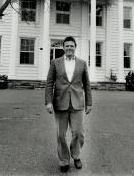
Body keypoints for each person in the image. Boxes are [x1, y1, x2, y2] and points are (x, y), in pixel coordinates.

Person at [45, 36, 92, 173]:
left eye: (72, 46)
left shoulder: (82, 63)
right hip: (60, 102)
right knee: (60, 135)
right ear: (63, 47)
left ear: (75, 47)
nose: (69, 48)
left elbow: (87, 84)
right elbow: (49, 83)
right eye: (67, 46)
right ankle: (64, 160)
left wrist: (89, 103)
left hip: (77, 103)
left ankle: (76, 155)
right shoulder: (55, 63)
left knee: (78, 133)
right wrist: (48, 102)